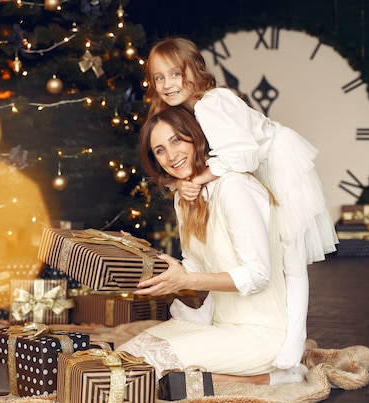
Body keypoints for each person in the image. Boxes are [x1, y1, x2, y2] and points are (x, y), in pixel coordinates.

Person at [143, 37, 338, 370]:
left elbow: (245, 155)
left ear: (195, 69)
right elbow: (183, 156)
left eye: (175, 74)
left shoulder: (209, 103)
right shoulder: (184, 112)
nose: (167, 84)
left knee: (289, 254)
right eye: (159, 78)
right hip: (250, 162)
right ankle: (209, 310)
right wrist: (184, 183)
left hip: (276, 162)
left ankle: (294, 335)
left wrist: (197, 179)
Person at [117, 106, 307, 385]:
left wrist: (187, 278)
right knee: (126, 356)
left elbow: (258, 275)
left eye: (176, 141)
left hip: (262, 333)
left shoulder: (234, 187)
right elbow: (194, 265)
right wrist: (142, 253)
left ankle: (273, 377)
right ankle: (217, 377)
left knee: (143, 371)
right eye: (159, 150)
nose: (171, 156)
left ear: (196, 138)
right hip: (221, 325)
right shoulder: (183, 198)